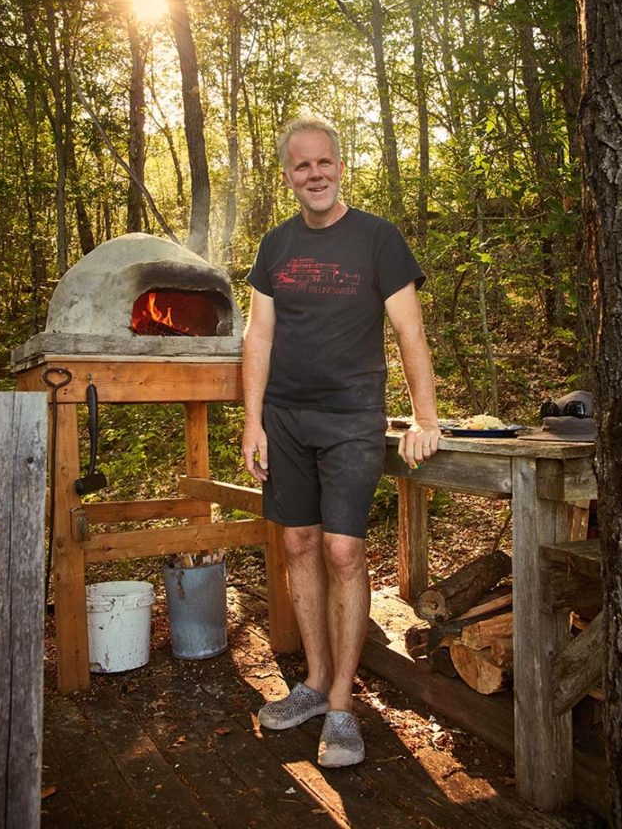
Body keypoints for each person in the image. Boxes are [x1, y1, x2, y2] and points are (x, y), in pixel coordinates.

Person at [241, 115, 441, 768]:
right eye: (302, 165)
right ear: (288, 177)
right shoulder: (275, 245)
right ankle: (315, 682)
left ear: (340, 166)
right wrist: (252, 421)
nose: (315, 174)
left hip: (353, 414)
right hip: (285, 417)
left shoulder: (378, 239)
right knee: (298, 543)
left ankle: (343, 708)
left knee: (343, 549)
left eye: (324, 161)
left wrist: (425, 418)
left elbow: (410, 331)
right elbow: (258, 335)